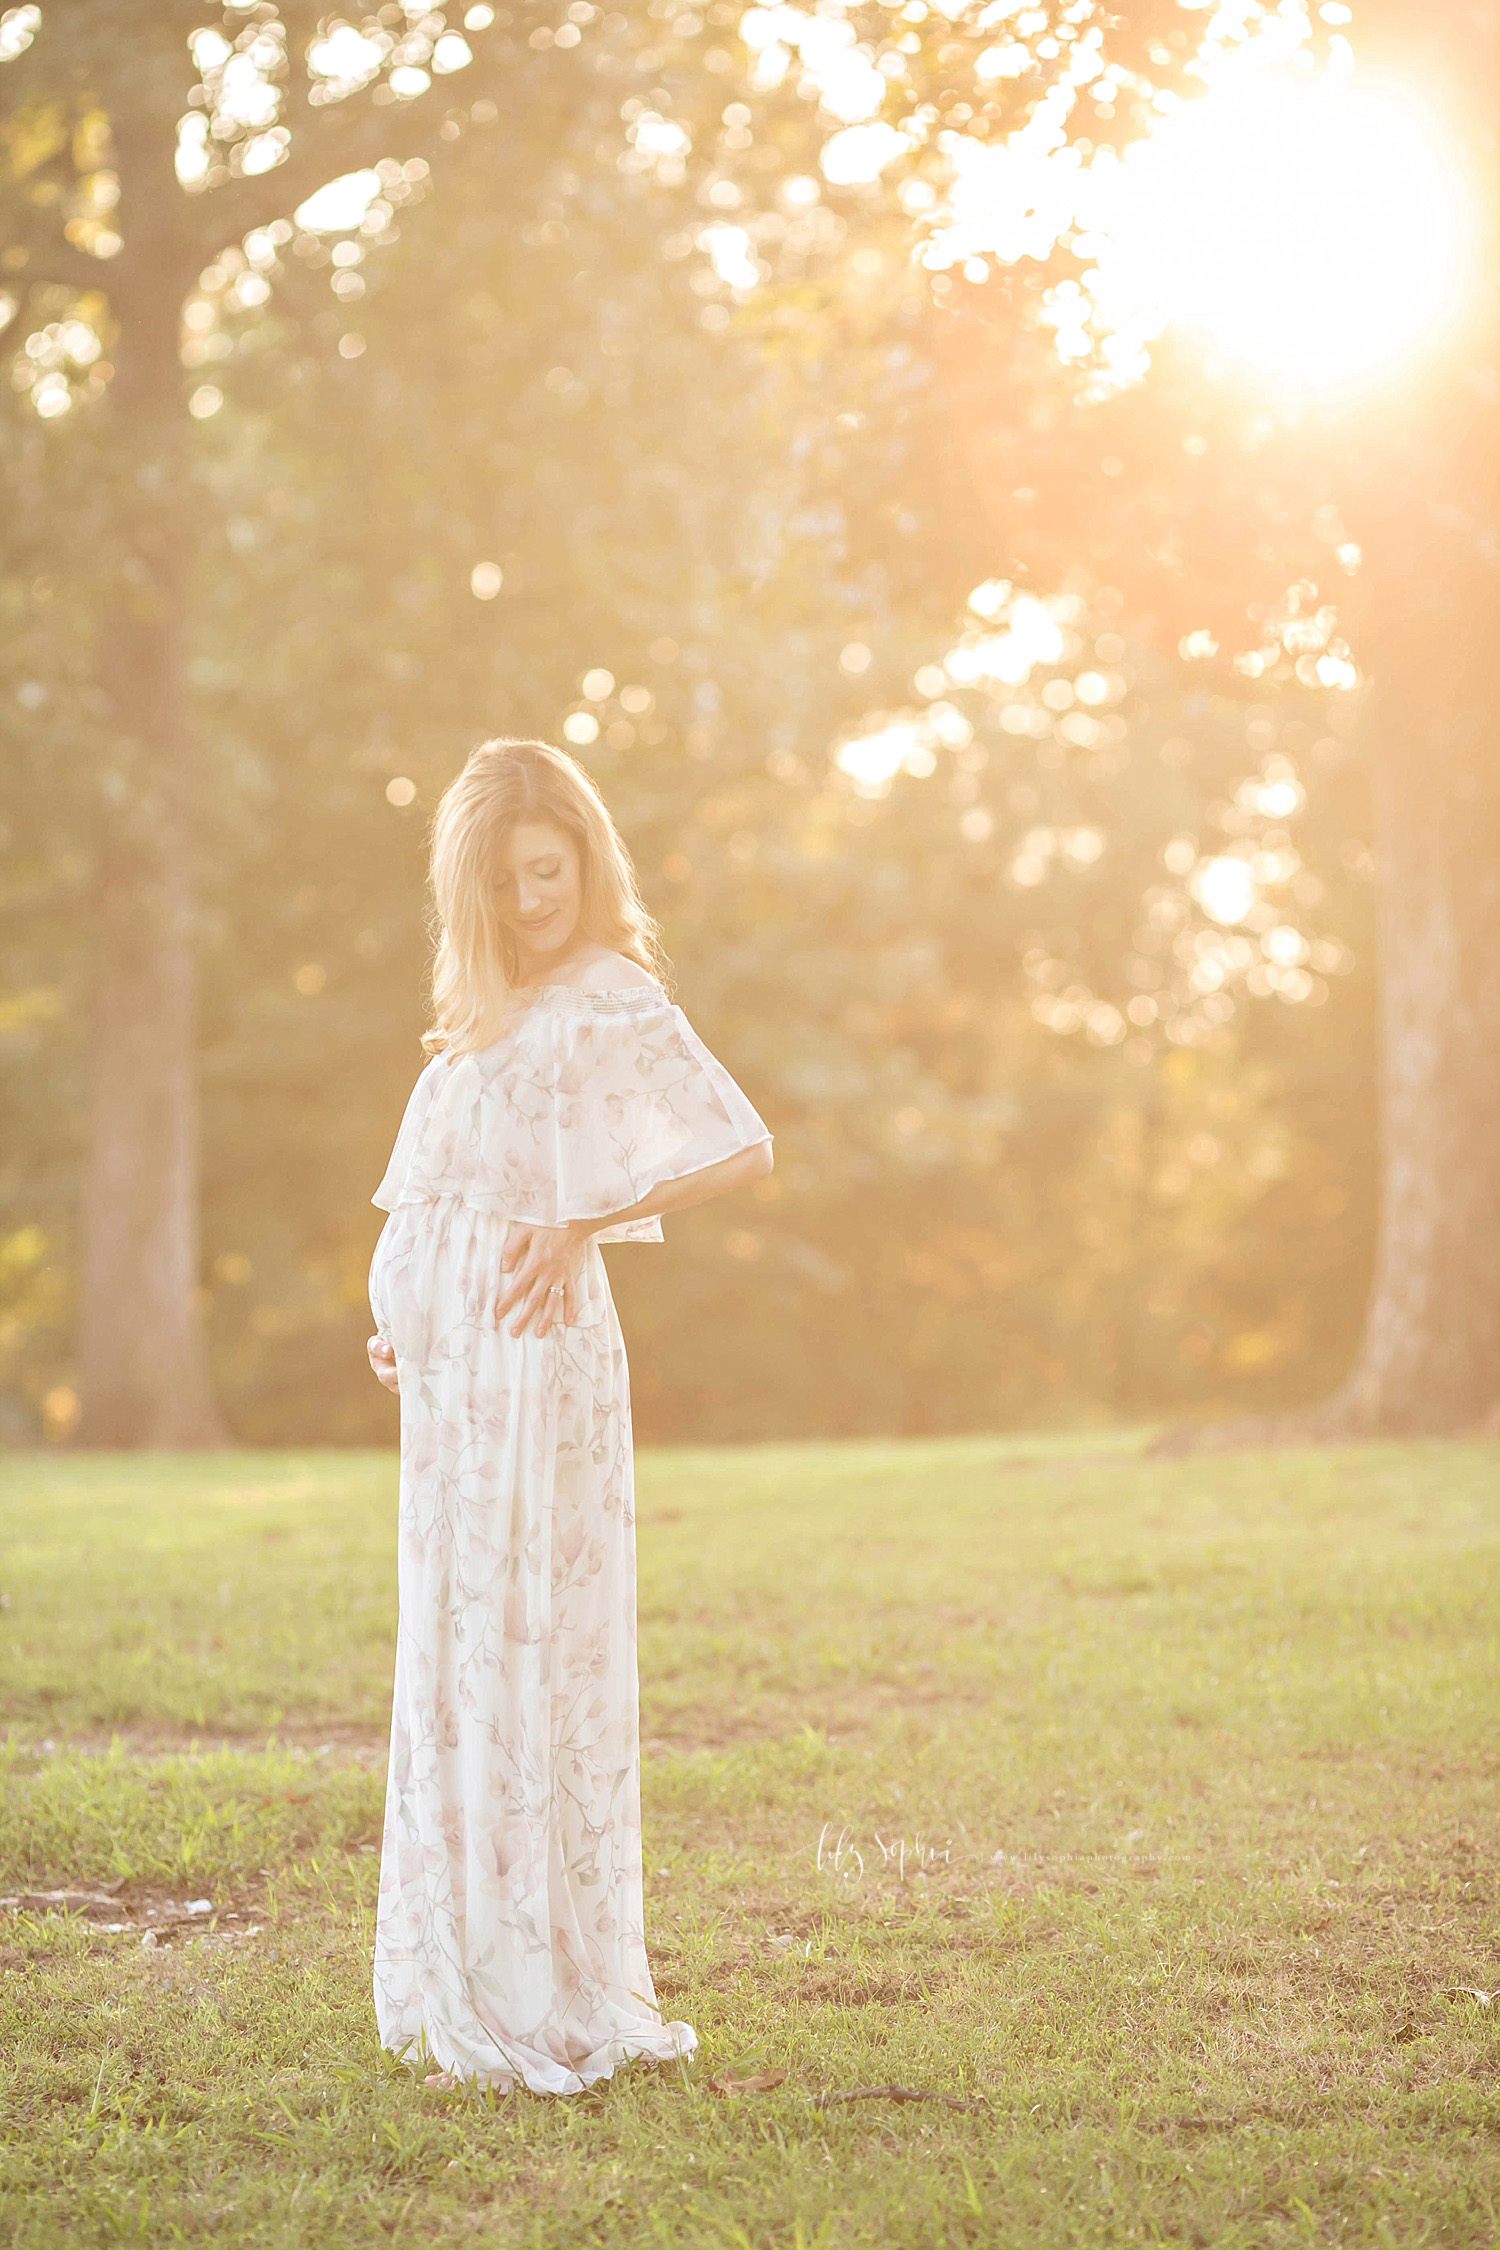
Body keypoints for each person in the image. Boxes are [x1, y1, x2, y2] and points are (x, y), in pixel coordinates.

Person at [364, 738, 772, 2096]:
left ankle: (546, 1974)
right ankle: (473, 1952)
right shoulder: (485, 1009)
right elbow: (444, 1199)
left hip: (540, 1372)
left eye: (555, 868)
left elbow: (738, 1143)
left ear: (588, 862)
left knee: (532, 1638)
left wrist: (586, 1215)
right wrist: (404, 1320)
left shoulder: (609, 993)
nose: (537, 894)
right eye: (511, 875)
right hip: (453, 1388)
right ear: (472, 884)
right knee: (461, 1645)